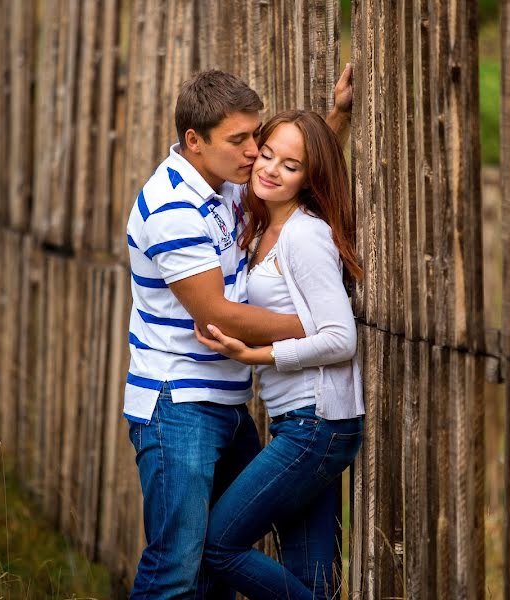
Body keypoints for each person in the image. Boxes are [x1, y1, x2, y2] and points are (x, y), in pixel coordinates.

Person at [124, 69, 352, 599]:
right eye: (240, 140)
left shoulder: (218, 185)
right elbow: (216, 313)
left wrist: (336, 118)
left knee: (211, 574)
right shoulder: (171, 208)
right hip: (178, 404)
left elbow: (289, 173)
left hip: (225, 406)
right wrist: (316, 326)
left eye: (256, 136)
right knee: (176, 567)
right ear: (194, 142)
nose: (254, 152)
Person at [195, 109, 365, 600]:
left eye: (290, 166)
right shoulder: (262, 223)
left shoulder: (305, 236)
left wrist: (259, 355)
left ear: (309, 177)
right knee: (313, 582)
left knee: (218, 545)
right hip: (304, 422)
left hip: (318, 425)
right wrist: (337, 115)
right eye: (267, 155)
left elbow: (340, 339)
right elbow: (301, 154)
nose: (270, 169)